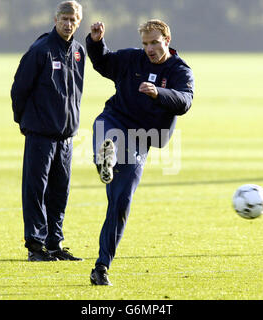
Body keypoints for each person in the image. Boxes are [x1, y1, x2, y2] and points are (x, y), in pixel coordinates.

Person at [86, 20, 194, 285]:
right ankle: (105, 157)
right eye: (145, 44)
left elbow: (185, 101)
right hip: (114, 119)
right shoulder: (132, 60)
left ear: (167, 40)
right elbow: (104, 63)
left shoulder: (180, 70)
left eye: (154, 43)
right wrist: (97, 43)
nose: (149, 49)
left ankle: (101, 267)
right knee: (106, 134)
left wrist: (159, 93)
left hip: (142, 138)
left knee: (120, 203)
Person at [10, 1, 85, 261]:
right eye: (64, 19)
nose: (68, 24)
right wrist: (25, 122)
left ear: (79, 21)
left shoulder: (78, 52)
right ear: (55, 20)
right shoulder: (41, 50)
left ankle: (55, 243)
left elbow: (76, 92)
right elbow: (19, 89)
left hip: (65, 136)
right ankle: (35, 247)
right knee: (36, 190)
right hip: (40, 134)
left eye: (73, 19)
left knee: (59, 191)